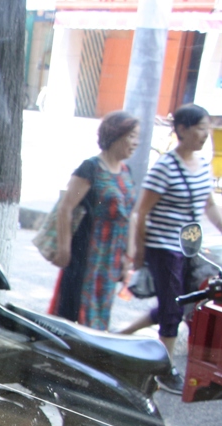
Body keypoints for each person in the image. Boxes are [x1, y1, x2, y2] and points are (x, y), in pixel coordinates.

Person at [121, 103, 222, 393]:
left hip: (189, 248)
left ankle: (120, 337)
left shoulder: (203, 165)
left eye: (207, 129)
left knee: (180, 302)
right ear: (182, 129)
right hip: (163, 248)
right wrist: (140, 250)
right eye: (200, 128)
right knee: (172, 309)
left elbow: (208, 204)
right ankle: (163, 370)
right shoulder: (165, 167)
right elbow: (141, 211)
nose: (205, 135)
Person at [49, 110, 139, 331]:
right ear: (115, 135)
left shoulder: (127, 171)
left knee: (99, 314)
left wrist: (129, 256)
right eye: (131, 136)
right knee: (72, 313)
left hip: (111, 259)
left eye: (137, 137)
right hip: (86, 256)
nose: (135, 143)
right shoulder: (90, 168)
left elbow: (130, 216)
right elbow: (65, 208)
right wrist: (63, 249)